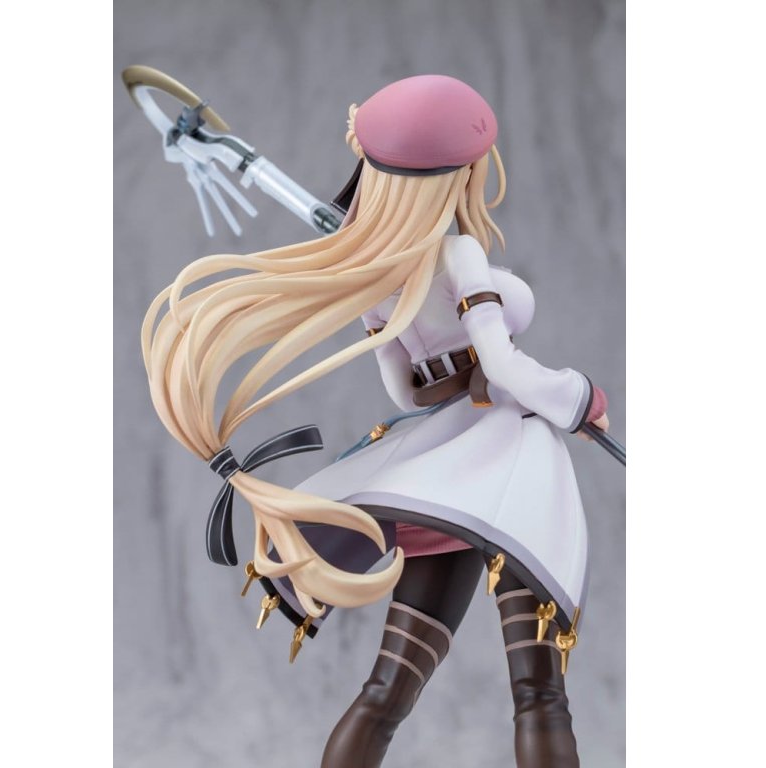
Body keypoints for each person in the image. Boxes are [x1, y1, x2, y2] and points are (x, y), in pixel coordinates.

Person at [142, 74, 609, 768]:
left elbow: (408, 394)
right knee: (540, 695)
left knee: (387, 690)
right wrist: (579, 397)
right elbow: (504, 367)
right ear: (460, 174)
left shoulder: (375, 274)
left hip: (445, 480)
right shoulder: (457, 253)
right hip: (512, 472)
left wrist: (443, 357)